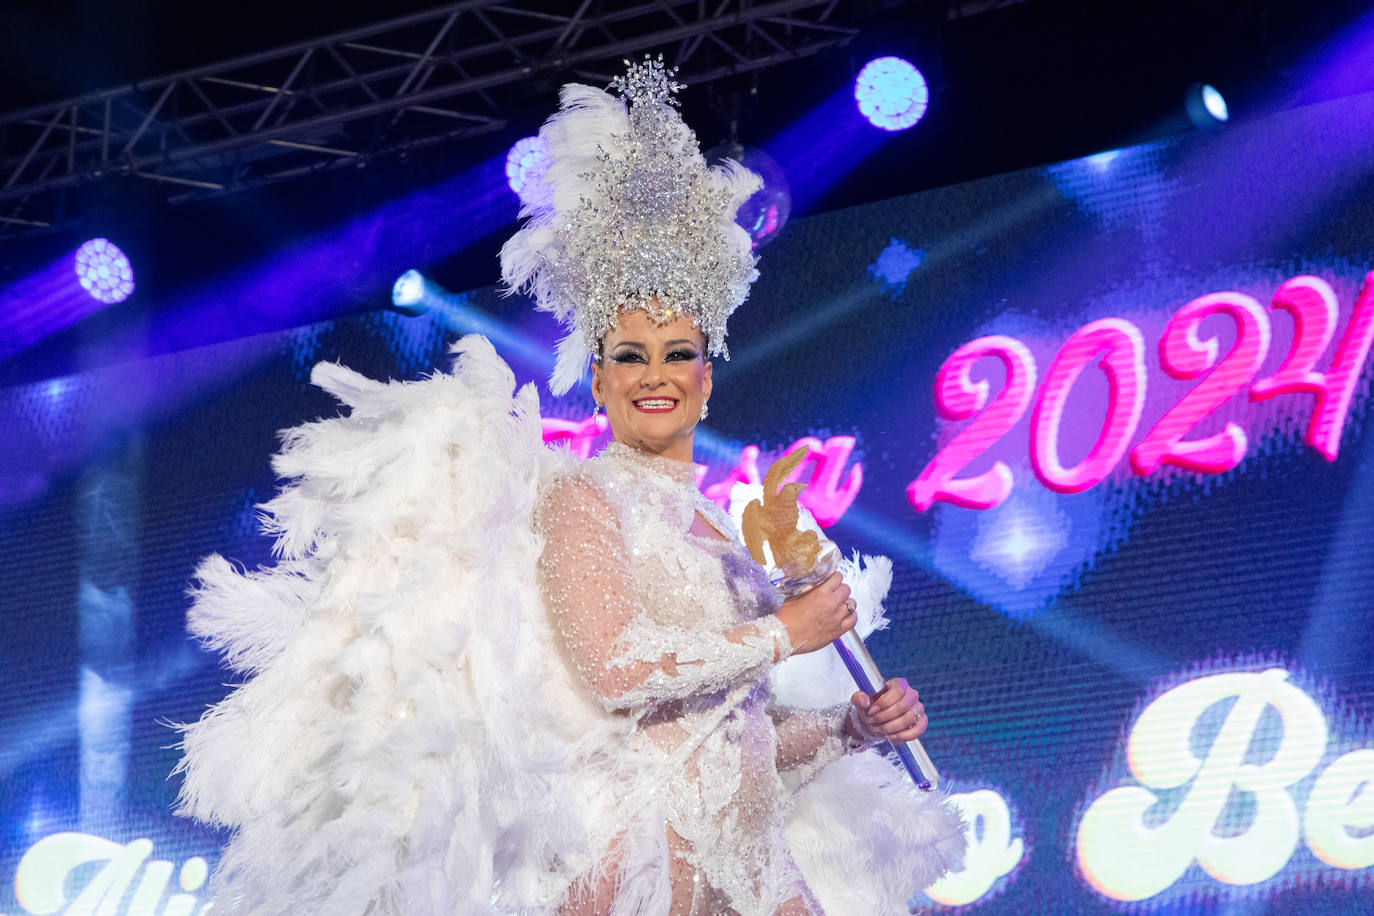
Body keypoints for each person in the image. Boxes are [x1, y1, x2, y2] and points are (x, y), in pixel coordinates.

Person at [175, 57, 965, 915]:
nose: (653, 374)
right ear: (599, 381)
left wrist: (851, 727)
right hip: (633, 863)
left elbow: (730, 739)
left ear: (708, 377)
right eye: (629, 356)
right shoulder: (584, 497)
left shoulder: (717, 526)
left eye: (677, 355)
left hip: (747, 868)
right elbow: (616, 670)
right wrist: (783, 632)